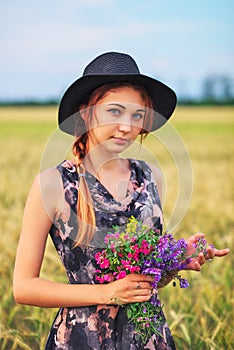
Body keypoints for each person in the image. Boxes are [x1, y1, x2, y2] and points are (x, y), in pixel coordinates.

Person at [13, 52, 229, 350]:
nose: (127, 126)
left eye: (137, 115)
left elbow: (143, 280)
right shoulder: (54, 184)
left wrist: (174, 260)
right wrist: (108, 294)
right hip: (82, 340)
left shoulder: (151, 176)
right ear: (86, 112)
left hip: (148, 337)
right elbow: (23, 288)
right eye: (114, 112)